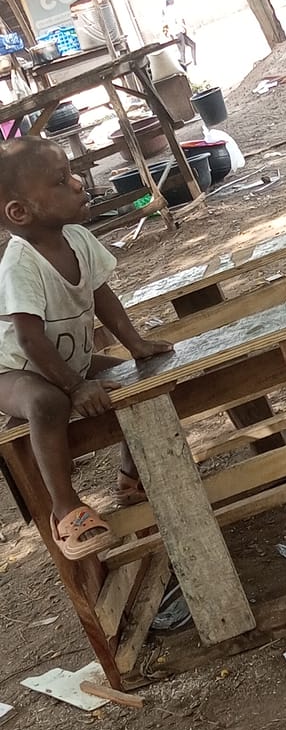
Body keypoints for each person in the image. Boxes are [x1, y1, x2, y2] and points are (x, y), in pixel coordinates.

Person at [0, 136, 173, 560]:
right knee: (46, 404)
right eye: (61, 180)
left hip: (66, 362)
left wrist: (135, 345)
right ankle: (66, 509)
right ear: (20, 211)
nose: (78, 184)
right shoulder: (20, 263)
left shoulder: (78, 238)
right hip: (14, 372)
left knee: (137, 382)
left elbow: (103, 295)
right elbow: (29, 339)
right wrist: (76, 386)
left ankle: (131, 477)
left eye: (72, 174)